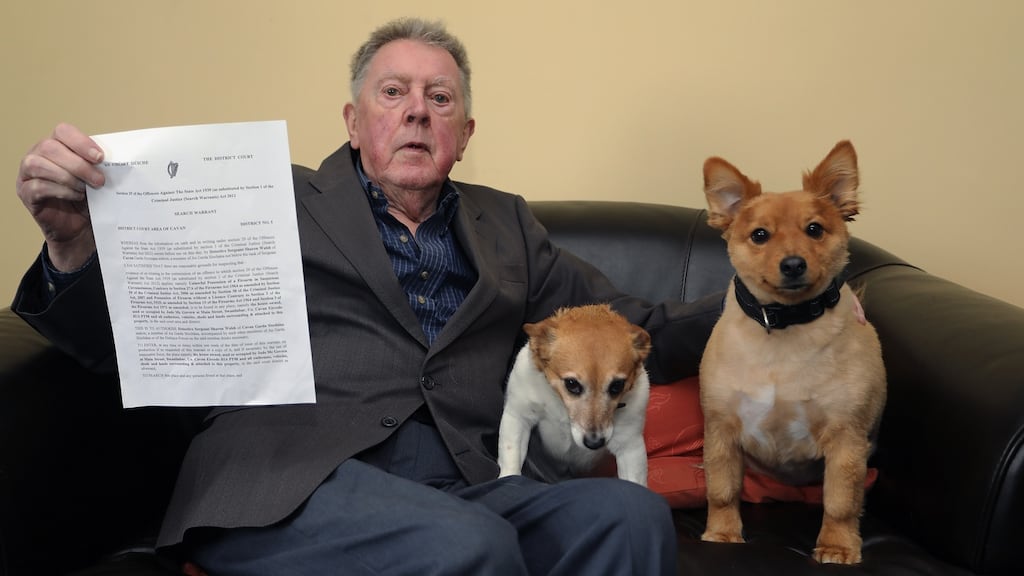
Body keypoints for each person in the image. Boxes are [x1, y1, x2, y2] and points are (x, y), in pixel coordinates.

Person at [14, 17, 721, 576]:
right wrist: (74, 246)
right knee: (469, 546)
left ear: (464, 135)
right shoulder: (266, 199)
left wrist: (788, 309)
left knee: (632, 519)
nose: (417, 112)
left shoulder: (508, 224)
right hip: (293, 481)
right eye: (393, 93)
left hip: (465, 479)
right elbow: (136, 339)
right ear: (353, 123)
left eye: (439, 99)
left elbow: (638, 325)